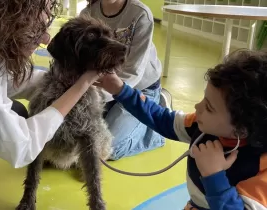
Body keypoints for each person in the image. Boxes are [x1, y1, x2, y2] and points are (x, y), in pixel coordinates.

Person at [0, 0, 101, 206]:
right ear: (8, 20)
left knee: (17, 111)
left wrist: (62, 81)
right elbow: (22, 146)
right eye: (38, 28)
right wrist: (81, 86)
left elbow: (4, 82)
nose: (46, 38)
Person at [96, 49, 267, 209]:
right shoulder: (203, 126)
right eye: (203, 99)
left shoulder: (261, 166)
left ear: (240, 131)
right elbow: (163, 118)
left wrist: (214, 175)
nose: (197, 107)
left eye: (209, 108)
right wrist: (120, 89)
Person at [80, 0, 172, 160]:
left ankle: (154, 130)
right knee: (78, 138)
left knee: (107, 149)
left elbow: (133, 72)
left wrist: (96, 98)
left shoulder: (140, 14)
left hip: (136, 91)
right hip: (102, 90)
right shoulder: (87, 13)